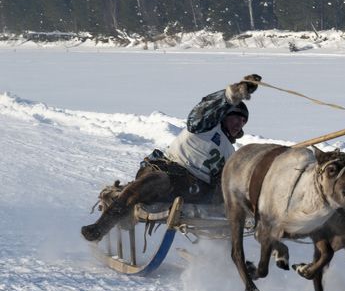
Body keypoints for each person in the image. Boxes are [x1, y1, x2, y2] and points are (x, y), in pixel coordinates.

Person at [81, 74, 262, 242]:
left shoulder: (230, 151)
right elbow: (203, 110)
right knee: (154, 181)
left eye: (243, 121)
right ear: (223, 116)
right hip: (169, 172)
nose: (239, 124)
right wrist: (231, 95)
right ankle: (101, 227)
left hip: (195, 189)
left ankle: (218, 257)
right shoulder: (205, 127)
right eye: (236, 118)